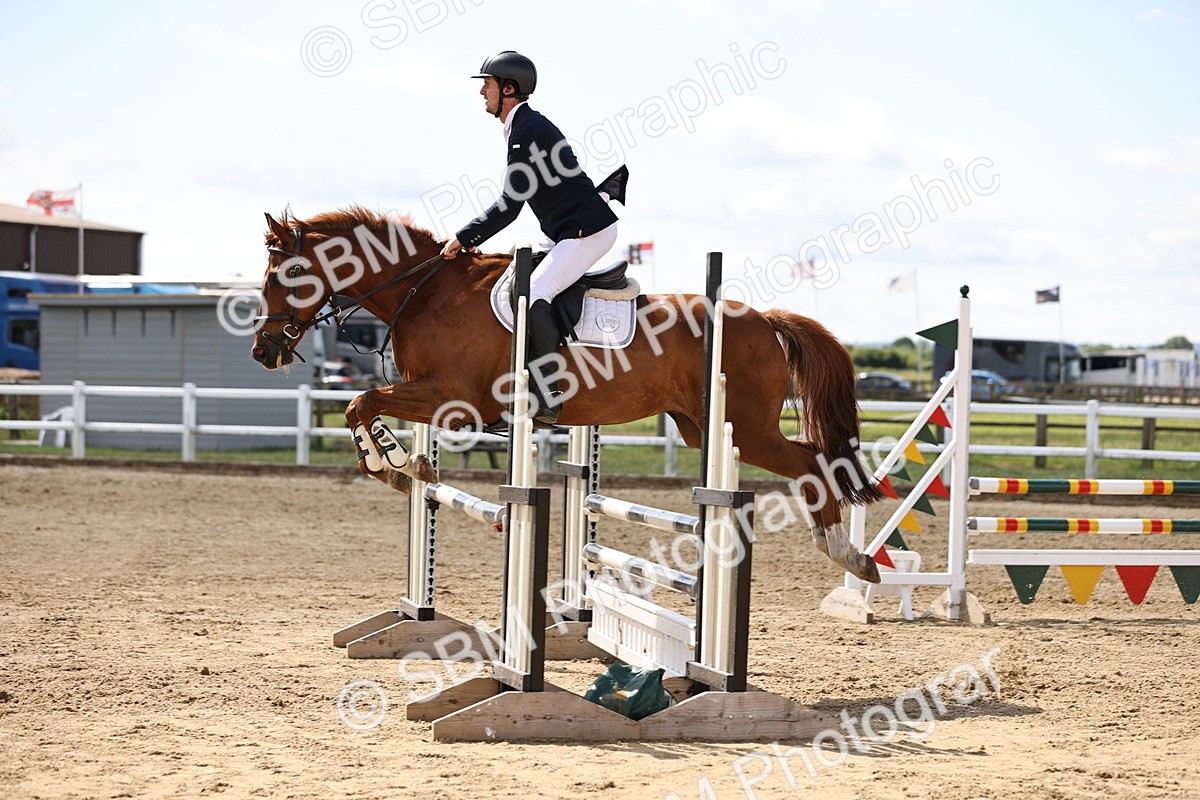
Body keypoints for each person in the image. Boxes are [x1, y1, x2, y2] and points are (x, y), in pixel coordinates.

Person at [440, 50, 619, 425]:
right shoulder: (521, 128)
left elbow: (510, 204)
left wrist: (464, 237)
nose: (481, 93)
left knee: (535, 293)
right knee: (511, 283)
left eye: (486, 85)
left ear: (508, 88)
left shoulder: (527, 130)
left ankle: (547, 390)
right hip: (565, 232)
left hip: (588, 231)